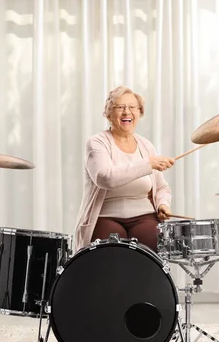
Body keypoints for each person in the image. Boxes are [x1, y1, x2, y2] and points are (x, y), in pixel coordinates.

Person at [74, 86, 175, 252]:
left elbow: (162, 187)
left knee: (155, 250)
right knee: (114, 255)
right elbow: (105, 178)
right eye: (120, 107)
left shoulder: (146, 146)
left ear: (139, 112)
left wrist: (163, 204)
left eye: (132, 107)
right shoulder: (97, 143)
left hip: (145, 216)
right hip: (106, 216)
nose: (126, 112)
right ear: (109, 113)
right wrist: (148, 164)